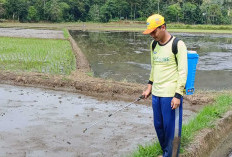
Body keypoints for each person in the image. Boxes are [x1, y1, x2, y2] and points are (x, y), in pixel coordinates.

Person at [142, 14, 188, 157]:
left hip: (170, 95)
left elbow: (183, 71)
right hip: (156, 93)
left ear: (163, 27)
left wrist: (178, 95)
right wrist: (149, 86)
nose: (152, 35)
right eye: (150, 33)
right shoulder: (154, 45)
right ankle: (166, 152)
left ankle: (172, 155)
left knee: (171, 129)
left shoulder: (178, 44)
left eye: (154, 32)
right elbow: (154, 67)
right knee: (159, 126)